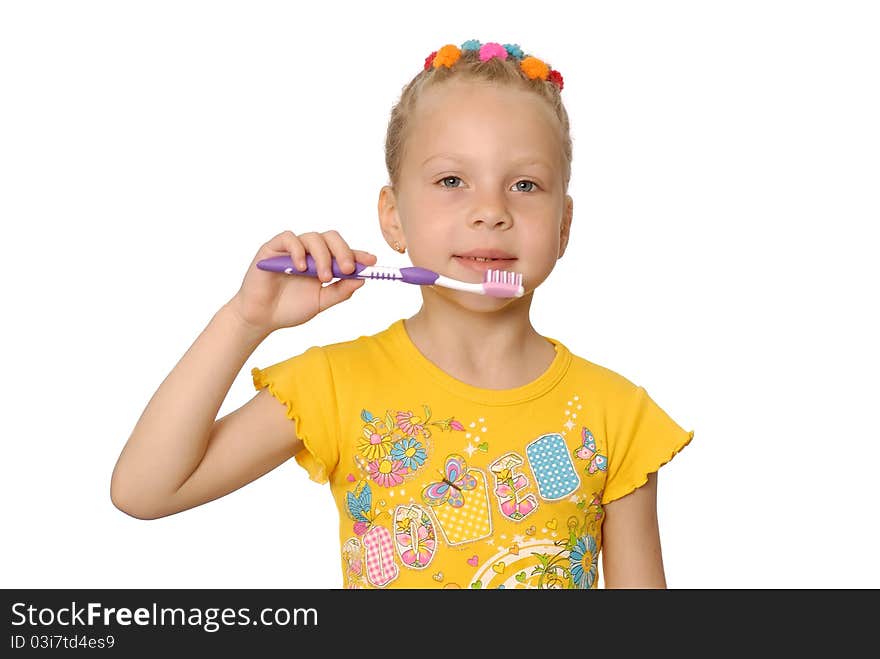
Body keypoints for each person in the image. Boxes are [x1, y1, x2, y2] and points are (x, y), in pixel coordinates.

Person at [111, 39, 694, 589]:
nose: (490, 210)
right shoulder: (336, 385)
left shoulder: (619, 415)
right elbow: (145, 491)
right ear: (393, 217)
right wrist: (245, 320)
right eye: (451, 180)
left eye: (524, 183)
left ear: (564, 225)